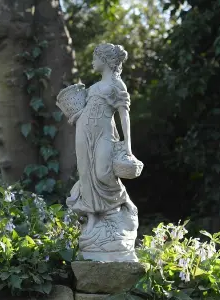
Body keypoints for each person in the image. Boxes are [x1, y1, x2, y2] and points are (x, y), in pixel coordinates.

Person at [67, 43, 138, 233]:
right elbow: (85, 111)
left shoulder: (117, 84)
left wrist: (127, 146)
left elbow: (124, 116)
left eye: (94, 58)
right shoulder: (94, 87)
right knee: (86, 175)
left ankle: (124, 200)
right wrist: (76, 115)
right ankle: (92, 218)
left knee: (103, 173)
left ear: (105, 60)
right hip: (83, 135)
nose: (92, 62)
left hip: (104, 135)